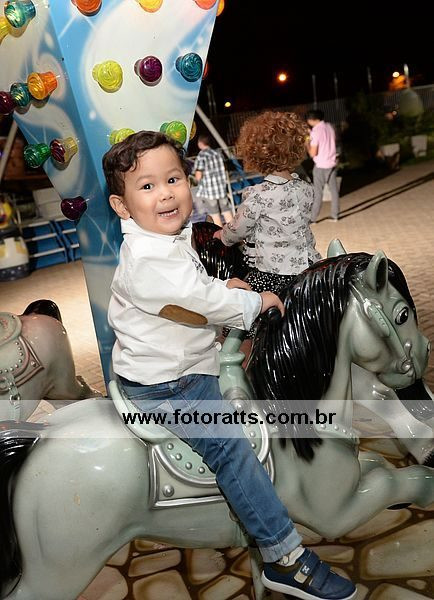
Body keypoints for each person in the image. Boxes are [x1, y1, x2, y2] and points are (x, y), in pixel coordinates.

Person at [102, 130, 356, 600]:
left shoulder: (163, 241)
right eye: (148, 186)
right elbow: (198, 301)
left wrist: (227, 285)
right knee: (231, 449)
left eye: (173, 179)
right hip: (169, 385)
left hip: (179, 365)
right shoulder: (148, 258)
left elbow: (193, 291)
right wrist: (255, 302)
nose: (166, 193)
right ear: (122, 206)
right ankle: (284, 557)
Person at [214, 111, 321, 302]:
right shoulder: (306, 188)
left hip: (273, 274)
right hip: (309, 268)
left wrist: (222, 235)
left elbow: (239, 229)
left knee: (243, 306)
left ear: (257, 154)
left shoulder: (258, 194)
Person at [305, 109, 340, 222]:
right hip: (332, 163)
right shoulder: (330, 127)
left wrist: (307, 142)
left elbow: (312, 153)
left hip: (320, 165)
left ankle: (312, 218)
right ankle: (335, 215)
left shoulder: (316, 132)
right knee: (334, 191)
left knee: (318, 193)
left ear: (311, 120)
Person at [193, 134, 233, 227]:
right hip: (221, 189)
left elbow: (198, 176)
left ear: (200, 143)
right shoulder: (217, 153)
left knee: (215, 215)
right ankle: (233, 231)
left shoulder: (201, 155)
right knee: (226, 211)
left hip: (209, 192)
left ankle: (220, 233)